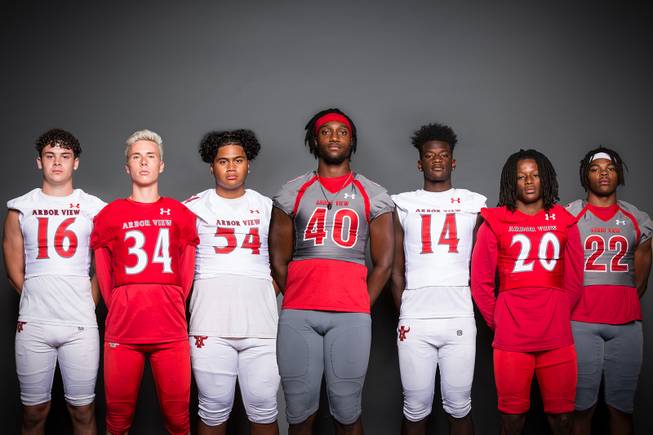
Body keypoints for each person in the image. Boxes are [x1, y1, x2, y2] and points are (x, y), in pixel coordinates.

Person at [269, 108, 394, 435]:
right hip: (299, 314)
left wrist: (359, 304)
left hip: (350, 315)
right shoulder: (292, 191)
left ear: (352, 140)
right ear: (315, 139)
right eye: (326, 131)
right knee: (298, 413)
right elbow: (278, 259)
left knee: (347, 411)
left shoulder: (374, 193)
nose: (334, 137)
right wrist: (299, 292)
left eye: (342, 131)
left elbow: (384, 262)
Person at [91, 130, 198, 435]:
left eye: (150, 156)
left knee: (178, 419)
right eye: (136, 157)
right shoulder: (109, 215)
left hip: (171, 329)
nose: (143, 162)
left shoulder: (181, 214)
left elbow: (186, 275)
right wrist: (125, 304)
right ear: (127, 167)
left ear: (161, 165)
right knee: (117, 418)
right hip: (123, 331)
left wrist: (169, 300)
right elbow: (104, 273)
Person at [471, 149, 583, 435]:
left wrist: (557, 310)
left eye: (535, 175)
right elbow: (481, 281)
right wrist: (499, 321)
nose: (529, 181)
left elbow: (574, 278)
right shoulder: (494, 221)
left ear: (546, 180)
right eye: (522, 177)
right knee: (512, 419)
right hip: (511, 335)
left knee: (563, 419)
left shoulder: (565, 220)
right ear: (512, 182)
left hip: (556, 334)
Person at [3, 129, 104, 435]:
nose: (57, 163)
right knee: (34, 413)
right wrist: (39, 299)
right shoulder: (20, 208)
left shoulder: (95, 208)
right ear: (39, 162)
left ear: (75, 163)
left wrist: (87, 303)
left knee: (83, 411)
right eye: (50, 156)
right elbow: (13, 271)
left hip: (79, 324)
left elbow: (104, 269)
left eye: (65, 156)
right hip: (34, 324)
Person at [391, 123, 485, 435]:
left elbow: (486, 265)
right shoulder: (402, 203)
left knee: (459, 405)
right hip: (415, 317)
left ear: (453, 161)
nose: (437, 160)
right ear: (420, 163)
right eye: (429, 156)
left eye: (443, 155)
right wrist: (404, 313)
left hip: (458, 314)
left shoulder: (475, 203)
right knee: (415, 409)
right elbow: (396, 270)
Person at [184, 130, 280, 435]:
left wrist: (265, 291)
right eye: (222, 161)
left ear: (248, 164)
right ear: (211, 166)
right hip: (209, 324)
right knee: (212, 412)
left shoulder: (267, 207)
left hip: (261, 325)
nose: (230, 167)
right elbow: (178, 266)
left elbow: (283, 261)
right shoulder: (192, 208)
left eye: (238, 160)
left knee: (265, 411)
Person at [566, 147, 652, 435]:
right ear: (585, 176)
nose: (603, 173)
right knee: (581, 410)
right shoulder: (570, 215)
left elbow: (640, 279)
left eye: (610, 167)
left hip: (626, 325)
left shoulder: (636, 218)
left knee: (622, 409)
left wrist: (617, 302)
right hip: (580, 323)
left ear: (619, 174)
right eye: (595, 168)